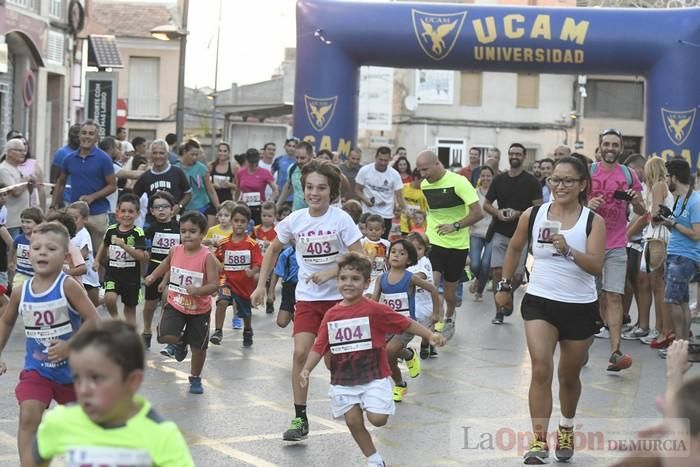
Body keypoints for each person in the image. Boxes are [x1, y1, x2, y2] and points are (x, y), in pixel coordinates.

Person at [495, 156, 605, 465]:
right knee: (541, 368)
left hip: (579, 306)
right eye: (555, 180)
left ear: (582, 184)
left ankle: (567, 428)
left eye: (568, 180)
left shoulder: (592, 221)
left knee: (569, 376)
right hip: (540, 300)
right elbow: (515, 247)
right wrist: (505, 286)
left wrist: (568, 250)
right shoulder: (533, 214)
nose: (560, 186)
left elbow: (596, 265)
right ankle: (539, 441)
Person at [251, 160, 363, 442]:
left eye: (321, 188)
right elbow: (273, 249)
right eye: (310, 187)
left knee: (332, 361)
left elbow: (361, 256)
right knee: (300, 354)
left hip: (339, 300)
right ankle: (300, 418)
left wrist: (332, 272)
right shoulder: (296, 219)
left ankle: (352, 403)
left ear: (331, 191)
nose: (315, 193)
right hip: (307, 298)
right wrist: (262, 286)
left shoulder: (341, 220)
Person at [300, 252, 445, 467]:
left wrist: (430, 335)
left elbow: (405, 323)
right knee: (352, 421)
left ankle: (373, 400)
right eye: (343, 278)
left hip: (373, 376)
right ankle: (374, 459)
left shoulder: (374, 309)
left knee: (378, 419)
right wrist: (306, 369)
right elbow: (320, 345)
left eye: (355, 279)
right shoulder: (331, 315)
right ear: (337, 281)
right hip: (343, 379)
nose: (348, 284)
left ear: (367, 282)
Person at [0, 222, 99, 465]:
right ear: (29, 252)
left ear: (65, 255)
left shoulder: (68, 286)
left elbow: (94, 321)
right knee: (28, 416)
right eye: (36, 248)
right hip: (38, 370)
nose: (42, 252)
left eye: (51, 248)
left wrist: (70, 346)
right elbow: (6, 322)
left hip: (74, 374)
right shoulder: (20, 291)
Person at [32, 319, 194, 466]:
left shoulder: (162, 436)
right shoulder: (60, 421)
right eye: (77, 378)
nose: (83, 389)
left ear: (133, 381)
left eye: (96, 378)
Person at [588, 128, 645, 371]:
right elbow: (571, 203)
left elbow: (643, 212)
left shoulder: (629, 174)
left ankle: (615, 352)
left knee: (614, 295)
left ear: (621, 149)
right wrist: (587, 205)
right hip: (589, 243)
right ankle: (581, 349)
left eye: (615, 145)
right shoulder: (588, 172)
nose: (610, 148)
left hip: (616, 245)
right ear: (600, 147)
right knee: (589, 299)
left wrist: (636, 202)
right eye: (606, 144)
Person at [144, 211, 219, 395]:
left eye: (192, 231)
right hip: (176, 304)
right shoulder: (175, 250)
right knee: (163, 336)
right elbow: (167, 264)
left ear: (202, 234)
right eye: (183, 231)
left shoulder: (206, 256)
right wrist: (154, 276)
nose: (187, 235)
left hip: (199, 309)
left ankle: (195, 377)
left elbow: (214, 285)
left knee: (199, 349)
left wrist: (199, 291)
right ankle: (179, 343)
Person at [415, 150, 482, 339]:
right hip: (434, 241)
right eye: (420, 171)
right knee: (432, 284)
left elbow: (478, 213)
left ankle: (450, 316)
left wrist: (455, 226)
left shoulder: (459, 182)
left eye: (425, 169)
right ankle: (432, 321)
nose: (423, 174)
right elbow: (433, 212)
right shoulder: (425, 185)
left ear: (438, 164)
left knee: (451, 291)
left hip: (457, 244)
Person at [372, 239, 441, 402]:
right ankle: (405, 363)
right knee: (385, 354)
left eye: (402, 253)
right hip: (387, 324)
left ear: (409, 260)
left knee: (390, 351)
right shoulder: (381, 279)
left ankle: (399, 387)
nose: (396, 255)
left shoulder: (411, 278)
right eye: (394, 252)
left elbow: (433, 289)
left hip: (406, 324)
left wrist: (436, 313)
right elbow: (374, 300)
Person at [483, 142, 543, 325]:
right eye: (512, 153)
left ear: (524, 157)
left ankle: (507, 295)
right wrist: (498, 213)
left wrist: (519, 214)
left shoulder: (531, 181)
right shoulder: (499, 180)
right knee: (496, 272)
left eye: (518, 154)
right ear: (508, 156)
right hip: (500, 232)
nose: (514, 156)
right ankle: (498, 311)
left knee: (516, 276)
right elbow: (486, 204)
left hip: (522, 234)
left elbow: (539, 207)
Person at [623, 157, 673, 347]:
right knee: (656, 286)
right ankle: (659, 328)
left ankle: (662, 330)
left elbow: (653, 215)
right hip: (654, 238)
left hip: (658, 238)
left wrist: (629, 232)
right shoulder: (660, 186)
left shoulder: (658, 186)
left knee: (658, 287)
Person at [656, 158, 700, 360]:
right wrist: (667, 222)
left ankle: (680, 347)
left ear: (674, 176)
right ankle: (683, 345)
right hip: (677, 254)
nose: (666, 180)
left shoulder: (695, 200)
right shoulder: (681, 198)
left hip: (685, 257)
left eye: (667, 176)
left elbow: (696, 234)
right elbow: (681, 227)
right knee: (681, 302)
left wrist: (672, 224)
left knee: (674, 302)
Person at [51, 120, 117, 255]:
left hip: (97, 213)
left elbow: (112, 186)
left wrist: (93, 197)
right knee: (71, 252)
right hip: (74, 214)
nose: (87, 136)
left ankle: (100, 277)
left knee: (100, 255)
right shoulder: (69, 158)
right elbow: (61, 182)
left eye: (91, 133)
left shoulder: (104, 159)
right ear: (79, 135)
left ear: (97, 138)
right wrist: (53, 205)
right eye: (84, 133)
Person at [210, 205, 262, 347]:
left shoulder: (252, 244)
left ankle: (248, 330)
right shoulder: (224, 243)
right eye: (236, 221)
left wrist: (252, 271)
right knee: (222, 302)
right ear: (232, 222)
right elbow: (217, 260)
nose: (239, 224)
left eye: (242, 221)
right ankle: (218, 331)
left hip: (244, 284)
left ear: (247, 223)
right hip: (226, 281)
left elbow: (258, 262)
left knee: (245, 310)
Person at [93, 193, 147, 324]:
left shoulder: (138, 233)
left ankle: (130, 336)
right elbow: (104, 244)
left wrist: (124, 246)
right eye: (123, 211)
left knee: (130, 310)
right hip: (113, 274)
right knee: (109, 298)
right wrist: (97, 261)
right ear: (117, 213)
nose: (126, 215)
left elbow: (140, 256)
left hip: (131, 277)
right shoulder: (111, 230)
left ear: (137, 214)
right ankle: (116, 321)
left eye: (131, 211)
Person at [142, 192, 180, 349]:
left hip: (173, 271)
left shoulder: (179, 228)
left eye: (165, 206)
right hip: (154, 270)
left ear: (173, 209)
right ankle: (146, 331)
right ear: (151, 211)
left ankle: (166, 332)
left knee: (168, 301)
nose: (161, 210)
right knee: (150, 305)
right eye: (157, 207)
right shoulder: (150, 229)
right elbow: (142, 249)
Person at [132, 139, 192, 225]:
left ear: (167, 155)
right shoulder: (145, 176)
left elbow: (188, 194)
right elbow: (134, 198)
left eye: (161, 153)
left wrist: (179, 206)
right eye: (155, 153)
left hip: (174, 221)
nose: (158, 156)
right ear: (150, 155)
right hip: (151, 223)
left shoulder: (177, 172)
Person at [355, 146, 410, 238]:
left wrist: (406, 209)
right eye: (380, 160)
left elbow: (399, 196)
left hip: (386, 215)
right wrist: (366, 200)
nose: (383, 163)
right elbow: (357, 190)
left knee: (382, 244)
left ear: (390, 159)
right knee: (365, 243)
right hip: (368, 213)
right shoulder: (365, 170)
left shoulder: (394, 174)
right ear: (375, 157)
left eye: (386, 160)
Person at [469, 166, 495, 301]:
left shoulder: (497, 193)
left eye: (488, 175)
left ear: (493, 177)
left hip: (492, 233)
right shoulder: (474, 193)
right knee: (474, 265)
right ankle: (477, 279)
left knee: (486, 265)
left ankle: (479, 291)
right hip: (476, 232)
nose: (486, 178)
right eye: (483, 175)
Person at [0, 138, 34, 239]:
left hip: (22, 219)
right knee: (13, 248)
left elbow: (28, 191)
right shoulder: (3, 169)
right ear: (9, 152)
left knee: (21, 251)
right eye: (20, 150)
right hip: (11, 221)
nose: (23, 153)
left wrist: (31, 182)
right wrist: (26, 180)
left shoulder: (19, 169)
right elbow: (15, 191)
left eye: (24, 150)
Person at [177, 140, 220, 217]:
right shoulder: (176, 168)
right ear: (184, 152)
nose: (194, 157)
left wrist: (218, 207)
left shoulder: (202, 168)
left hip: (201, 207)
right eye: (192, 154)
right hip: (183, 208)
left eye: (196, 155)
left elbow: (210, 190)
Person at [237, 148, 278, 225]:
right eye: (250, 162)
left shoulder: (265, 172)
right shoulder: (241, 172)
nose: (253, 164)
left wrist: (269, 201)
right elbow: (237, 189)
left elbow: (275, 190)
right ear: (246, 160)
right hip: (244, 206)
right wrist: (235, 202)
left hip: (259, 207)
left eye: (255, 162)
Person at [253, 202, 278, 314]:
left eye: (269, 216)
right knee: (255, 278)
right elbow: (250, 242)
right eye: (264, 216)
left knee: (270, 282)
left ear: (274, 216)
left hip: (272, 262)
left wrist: (271, 244)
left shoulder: (277, 230)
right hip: (258, 260)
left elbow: (280, 246)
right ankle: (255, 296)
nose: (266, 218)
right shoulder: (256, 229)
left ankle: (270, 300)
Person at [9, 207, 44, 287]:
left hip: (37, 275)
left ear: (38, 224)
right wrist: (10, 262)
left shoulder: (42, 239)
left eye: (28, 222)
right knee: (18, 293)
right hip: (21, 275)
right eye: (22, 221)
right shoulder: (19, 238)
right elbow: (12, 248)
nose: (24, 225)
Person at [207, 142, 238, 225]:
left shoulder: (233, 167)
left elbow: (238, 187)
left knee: (226, 227)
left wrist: (229, 185)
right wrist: (213, 185)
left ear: (228, 153)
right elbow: (206, 184)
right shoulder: (211, 165)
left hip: (227, 200)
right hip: (213, 200)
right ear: (217, 152)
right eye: (220, 151)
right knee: (211, 227)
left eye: (225, 151)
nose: (222, 153)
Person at [277, 141, 312, 212]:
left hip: (316, 214)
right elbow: (289, 186)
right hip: (297, 213)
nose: (299, 161)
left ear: (310, 156)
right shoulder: (292, 168)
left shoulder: (319, 169)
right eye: (296, 157)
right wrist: (278, 204)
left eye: (302, 158)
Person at [270, 242, 298, 328]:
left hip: (303, 287)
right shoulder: (286, 254)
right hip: (289, 288)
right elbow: (277, 272)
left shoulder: (308, 254)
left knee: (301, 319)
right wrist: (271, 292)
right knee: (281, 322)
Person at [362, 214, 390, 297]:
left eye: (377, 229)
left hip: (379, 276)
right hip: (365, 275)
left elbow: (388, 261)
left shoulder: (386, 244)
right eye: (371, 229)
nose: (374, 231)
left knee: (375, 296)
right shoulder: (362, 243)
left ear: (383, 230)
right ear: (366, 230)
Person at [400, 168, 428, 235]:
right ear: (416, 178)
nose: (425, 182)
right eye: (423, 180)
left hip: (418, 228)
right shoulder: (403, 187)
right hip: (404, 226)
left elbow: (426, 211)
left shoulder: (425, 192)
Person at [272, 137, 298, 204]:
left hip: (293, 197)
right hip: (279, 195)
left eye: (294, 146)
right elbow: (270, 175)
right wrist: (275, 186)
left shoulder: (299, 161)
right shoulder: (279, 159)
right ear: (285, 146)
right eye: (289, 146)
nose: (291, 148)